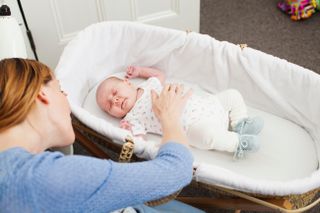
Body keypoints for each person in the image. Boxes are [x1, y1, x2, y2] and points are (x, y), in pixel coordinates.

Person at [0, 58, 204, 213]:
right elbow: (177, 169)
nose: (66, 98)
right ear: (42, 95)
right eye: (61, 90)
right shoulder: (54, 178)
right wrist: (170, 116)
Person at [96, 66, 264, 160]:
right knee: (206, 137)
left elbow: (159, 74)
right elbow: (140, 141)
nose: (115, 100)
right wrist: (127, 131)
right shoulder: (132, 118)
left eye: (115, 92)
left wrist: (139, 72)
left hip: (206, 103)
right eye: (110, 105)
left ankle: (240, 123)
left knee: (232, 95)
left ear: (128, 83)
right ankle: (238, 142)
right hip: (190, 126)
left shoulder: (148, 86)